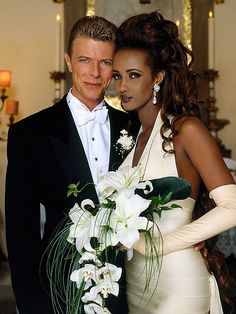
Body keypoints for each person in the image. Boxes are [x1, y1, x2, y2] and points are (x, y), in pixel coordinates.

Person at [5, 15, 139, 314]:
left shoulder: (135, 127)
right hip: (59, 292)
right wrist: (33, 305)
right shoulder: (29, 134)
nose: (94, 72)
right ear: (68, 61)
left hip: (130, 291)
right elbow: (20, 234)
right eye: (84, 60)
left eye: (105, 63)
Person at [112, 10, 236, 314]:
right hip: (137, 284)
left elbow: (233, 207)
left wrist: (164, 245)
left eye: (134, 75)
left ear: (158, 77)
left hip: (179, 281)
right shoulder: (128, 138)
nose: (123, 87)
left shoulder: (186, 130)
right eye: (117, 76)